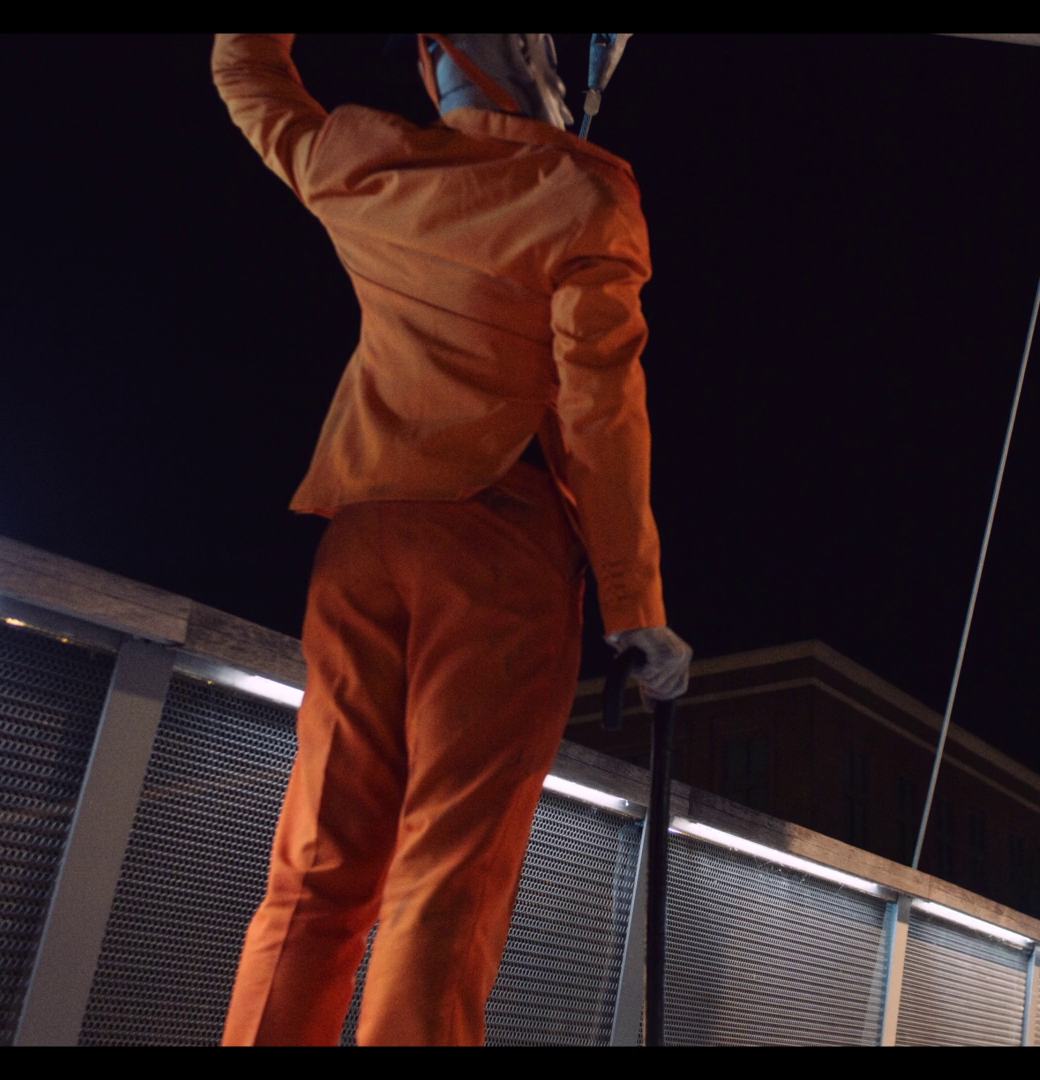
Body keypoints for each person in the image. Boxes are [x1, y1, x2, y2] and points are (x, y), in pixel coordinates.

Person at [210, 33, 692, 1045]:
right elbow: (602, 412)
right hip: (498, 552)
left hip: (364, 538)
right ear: (526, 62)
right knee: (446, 876)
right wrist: (634, 605)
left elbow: (245, 70)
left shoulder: (368, 162)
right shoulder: (583, 195)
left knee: (318, 866)